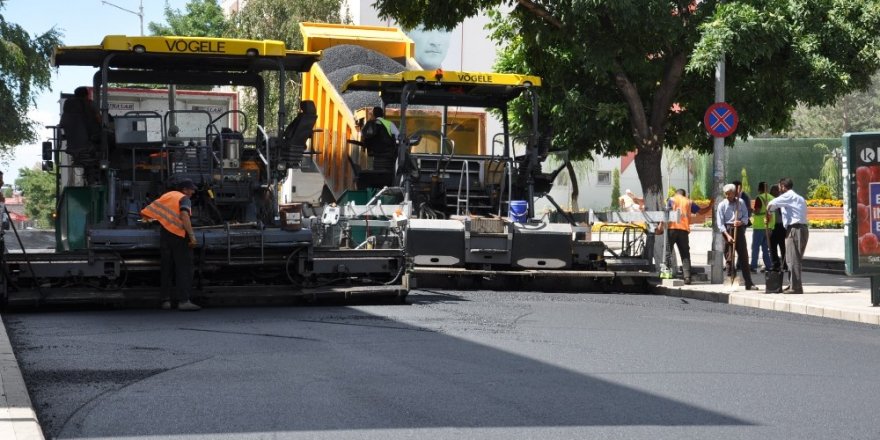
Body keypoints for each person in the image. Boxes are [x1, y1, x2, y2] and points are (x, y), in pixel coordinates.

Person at [141, 179, 201, 311]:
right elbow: (184, 215)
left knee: (166, 268)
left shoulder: (167, 195)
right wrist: (192, 236)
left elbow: (150, 212)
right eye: (191, 189)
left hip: (165, 234)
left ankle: (165, 301)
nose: (193, 192)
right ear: (184, 189)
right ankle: (184, 301)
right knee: (184, 268)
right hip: (179, 236)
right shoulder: (184, 198)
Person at [766, 177, 808, 294]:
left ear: (783, 186)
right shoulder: (798, 197)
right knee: (792, 258)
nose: (778, 189)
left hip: (795, 229)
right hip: (801, 228)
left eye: (779, 187)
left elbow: (771, 204)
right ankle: (792, 284)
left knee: (793, 259)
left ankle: (795, 287)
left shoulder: (788, 196)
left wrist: (768, 213)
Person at [665, 189, 713, 284]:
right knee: (685, 254)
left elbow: (666, 214)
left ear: (676, 194)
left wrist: (660, 226)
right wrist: (710, 205)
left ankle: (667, 273)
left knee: (668, 252)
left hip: (672, 228)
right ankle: (687, 277)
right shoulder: (689, 202)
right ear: (685, 195)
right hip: (683, 230)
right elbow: (702, 212)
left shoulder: (671, 199)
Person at [716, 183, 758, 290]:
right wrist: (727, 235)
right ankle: (730, 280)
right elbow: (720, 223)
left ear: (734, 193)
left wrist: (741, 222)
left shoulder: (741, 202)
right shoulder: (722, 205)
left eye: (729, 194)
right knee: (729, 258)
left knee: (744, 256)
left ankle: (749, 283)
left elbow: (746, 216)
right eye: (726, 194)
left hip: (738, 230)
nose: (727, 196)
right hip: (727, 230)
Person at [750, 181, 774, 272]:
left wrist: (751, 210)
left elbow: (757, 211)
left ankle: (753, 266)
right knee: (765, 248)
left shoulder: (759, 198)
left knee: (755, 247)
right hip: (769, 226)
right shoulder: (772, 197)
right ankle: (769, 266)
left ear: (759, 189)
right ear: (767, 189)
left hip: (760, 226)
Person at [768, 184, 787, 271]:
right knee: (773, 246)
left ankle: (785, 264)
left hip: (781, 226)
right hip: (773, 226)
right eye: (773, 191)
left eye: (776, 191)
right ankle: (776, 264)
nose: (775, 193)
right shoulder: (770, 201)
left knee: (783, 246)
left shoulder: (782, 200)